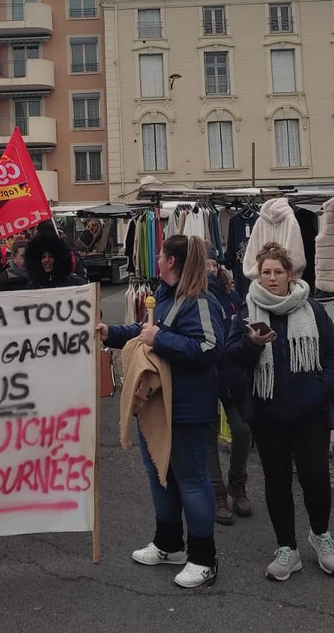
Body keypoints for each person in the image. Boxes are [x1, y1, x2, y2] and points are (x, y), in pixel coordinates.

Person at [97, 234, 226, 588]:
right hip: (157, 406)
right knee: (160, 478)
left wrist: (160, 340)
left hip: (187, 409)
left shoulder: (200, 299)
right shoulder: (168, 296)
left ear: (172, 262)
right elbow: (144, 333)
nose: (156, 259)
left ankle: (204, 558)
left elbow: (211, 347)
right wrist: (110, 333)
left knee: (193, 482)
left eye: (161, 255)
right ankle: (169, 544)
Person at [229, 242, 334, 580]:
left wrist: (323, 387)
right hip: (268, 417)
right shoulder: (246, 312)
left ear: (290, 275)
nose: (271, 278)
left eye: (278, 272)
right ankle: (287, 548)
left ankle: (321, 536)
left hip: (310, 414)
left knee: (316, 480)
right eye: (265, 272)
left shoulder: (313, 310)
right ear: (258, 274)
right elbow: (231, 359)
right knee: (277, 483)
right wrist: (252, 346)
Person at [206, 252, 251, 523]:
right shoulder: (194, 297)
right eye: (206, 265)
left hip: (232, 374)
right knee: (208, 434)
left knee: (242, 430)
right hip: (206, 375)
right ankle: (217, 491)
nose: (211, 269)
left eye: (214, 264)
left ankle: (238, 482)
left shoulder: (232, 297)